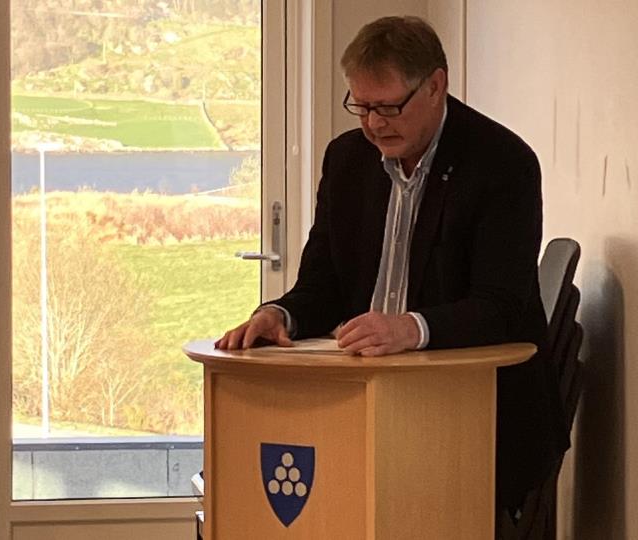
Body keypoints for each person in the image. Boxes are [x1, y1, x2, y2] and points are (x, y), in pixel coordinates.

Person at [216, 15, 568, 534]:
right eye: (361, 107)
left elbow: (501, 306)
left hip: (472, 419)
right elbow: (324, 284)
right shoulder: (347, 159)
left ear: (435, 86)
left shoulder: (501, 163)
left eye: (388, 106)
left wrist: (410, 328)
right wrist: (279, 314)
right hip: (359, 409)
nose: (374, 124)